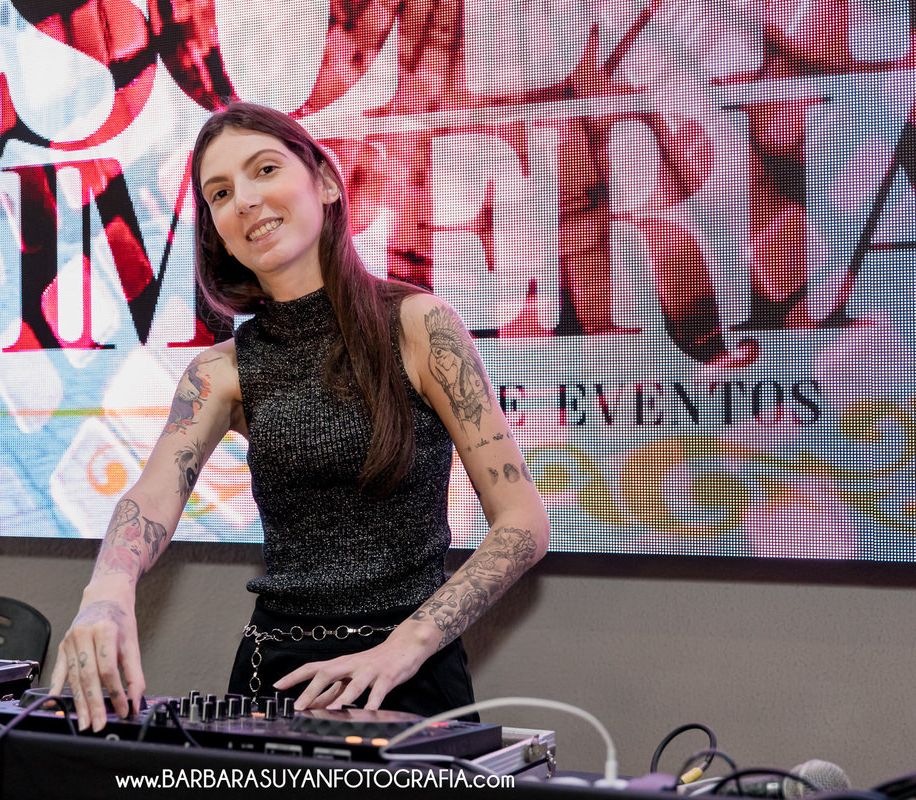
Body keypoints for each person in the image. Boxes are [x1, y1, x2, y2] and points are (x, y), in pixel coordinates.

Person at [49, 101, 551, 732]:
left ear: (327, 182)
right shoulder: (219, 371)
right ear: (216, 229)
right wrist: (107, 590)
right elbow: (152, 497)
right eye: (220, 193)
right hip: (274, 676)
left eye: (265, 169)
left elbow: (523, 523)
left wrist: (407, 646)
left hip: (408, 674)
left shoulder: (418, 325)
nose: (245, 200)